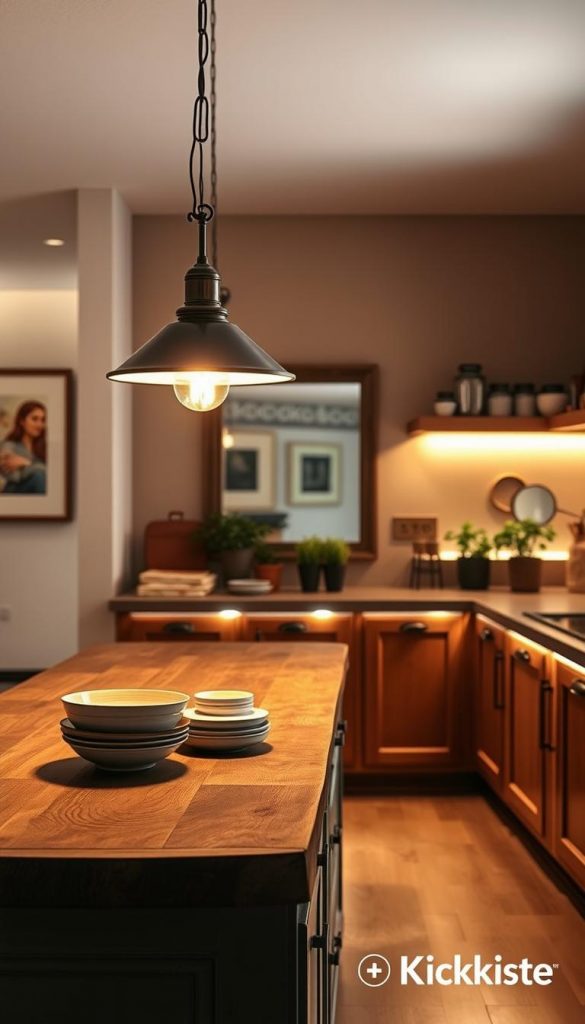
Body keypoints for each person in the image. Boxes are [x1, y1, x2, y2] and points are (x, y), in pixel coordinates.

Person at [0, 401, 47, 494]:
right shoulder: (9, 445)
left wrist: (26, 463)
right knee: (38, 476)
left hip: (38, 490)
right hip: (15, 491)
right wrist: (37, 467)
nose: (40, 425)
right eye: (34, 419)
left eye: (43, 420)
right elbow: (15, 477)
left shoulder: (44, 446)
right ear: (22, 421)